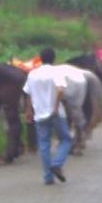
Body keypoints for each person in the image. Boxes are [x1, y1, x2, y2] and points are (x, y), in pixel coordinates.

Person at [23, 48, 72, 185]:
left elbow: (28, 93)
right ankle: (57, 163)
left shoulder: (32, 74)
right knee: (66, 140)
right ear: (54, 58)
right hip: (56, 114)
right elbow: (60, 89)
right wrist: (55, 106)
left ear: (40, 58)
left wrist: (28, 111)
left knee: (44, 144)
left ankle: (48, 178)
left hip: (39, 114)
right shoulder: (56, 72)